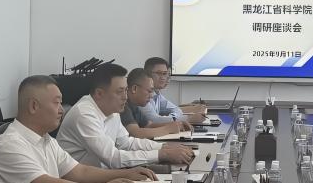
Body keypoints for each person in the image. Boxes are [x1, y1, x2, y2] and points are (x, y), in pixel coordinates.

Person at [0, 76, 153, 183]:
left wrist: (126, 174)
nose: (61, 111)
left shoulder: (46, 139)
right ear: (34, 106)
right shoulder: (9, 145)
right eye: (57, 103)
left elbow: (80, 172)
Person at [57, 63, 195, 170]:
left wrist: (164, 147)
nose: (125, 97)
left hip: (102, 176)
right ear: (99, 93)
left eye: (125, 90)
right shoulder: (84, 114)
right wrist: (161, 154)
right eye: (120, 92)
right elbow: (113, 158)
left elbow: (127, 143)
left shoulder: (112, 110)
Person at [122, 68, 192, 140]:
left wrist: (177, 124)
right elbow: (136, 133)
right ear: (134, 89)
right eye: (149, 91)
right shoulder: (123, 105)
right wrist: (167, 129)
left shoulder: (134, 105)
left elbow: (149, 125)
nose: (151, 96)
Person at [142, 57, 205, 124]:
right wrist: (188, 118)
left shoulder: (157, 94)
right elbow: (154, 120)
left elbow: (177, 110)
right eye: (159, 73)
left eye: (164, 73)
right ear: (148, 74)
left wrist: (172, 117)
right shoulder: (143, 94)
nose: (163, 77)